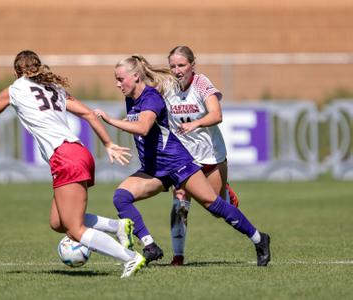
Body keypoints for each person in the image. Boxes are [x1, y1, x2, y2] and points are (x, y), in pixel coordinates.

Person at [0, 50, 146, 278]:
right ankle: (116, 227)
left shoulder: (16, 89)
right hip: (78, 152)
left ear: (17, 72)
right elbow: (88, 113)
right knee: (58, 222)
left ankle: (131, 258)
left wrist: (5, 94)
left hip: (65, 157)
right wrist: (107, 143)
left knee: (75, 229)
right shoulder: (54, 89)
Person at [94, 55, 271, 267]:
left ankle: (259, 239)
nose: (117, 83)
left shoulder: (151, 98)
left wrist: (110, 120)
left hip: (178, 164)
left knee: (214, 205)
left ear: (135, 76)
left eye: (120, 79)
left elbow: (142, 127)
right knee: (121, 197)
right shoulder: (131, 97)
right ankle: (151, 247)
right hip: (154, 170)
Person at [167, 45, 239, 266]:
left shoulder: (201, 83)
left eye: (182, 65)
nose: (177, 70)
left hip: (210, 154)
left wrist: (196, 123)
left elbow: (217, 115)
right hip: (183, 158)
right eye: (173, 66)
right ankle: (178, 256)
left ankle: (226, 194)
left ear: (192, 65)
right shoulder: (166, 87)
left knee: (216, 208)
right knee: (179, 204)